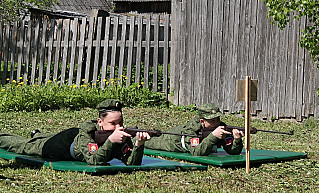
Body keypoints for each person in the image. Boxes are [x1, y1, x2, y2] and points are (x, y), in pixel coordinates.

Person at [0, 99, 151, 165]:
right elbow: (94, 160)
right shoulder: (89, 133)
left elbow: (132, 162)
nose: (118, 127)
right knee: (26, 146)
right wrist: (111, 141)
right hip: (64, 144)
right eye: (112, 123)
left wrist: (139, 144)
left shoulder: (121, 134)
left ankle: (38, 133)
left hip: (73, 141)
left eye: (121, 123)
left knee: (41, 137)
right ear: (100, 122)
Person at [144, 103, 244, 156]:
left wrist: (237, 140)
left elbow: (233, 152)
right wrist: (213, 136)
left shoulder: (221, 127)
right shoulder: (191, 130)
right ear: (202, 121)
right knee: (147, 140)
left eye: (217, 119)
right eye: (212, 120)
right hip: (171, 141)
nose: (216, 123)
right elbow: (196, 152)